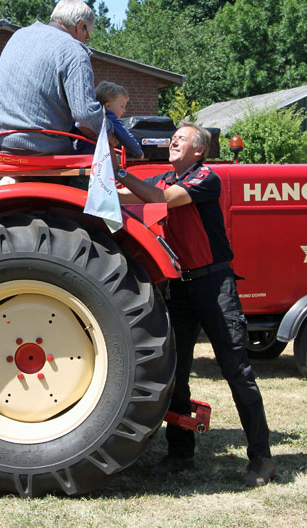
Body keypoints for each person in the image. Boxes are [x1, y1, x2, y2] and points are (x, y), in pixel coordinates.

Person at [113, 123, 276, 488]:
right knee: (176, 374)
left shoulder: (206, 178)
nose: (173, 141)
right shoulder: (166, 176)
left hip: (214, 284)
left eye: (182, 138)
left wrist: (121, 171)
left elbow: (163, 200)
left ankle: (262, 458)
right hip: (180, 288)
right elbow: (132, 197)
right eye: (174, 137)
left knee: (237, 372)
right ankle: (180, 454)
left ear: (199, 150)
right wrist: (103, 182)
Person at [0, 0, 105, 154]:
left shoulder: (19, 35)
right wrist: (111, 133)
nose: (86, 41)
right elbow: (85, 115)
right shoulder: (74, 51)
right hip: (31, 148)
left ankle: (9, 178)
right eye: (87, 35)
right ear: (80, 26)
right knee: (92, 163)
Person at [73, 81, 143, 159]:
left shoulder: (85, 118)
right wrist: (138, 152)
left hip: (79, 154)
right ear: (108, 105)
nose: (124, 110)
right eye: (122, 106)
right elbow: (126, 136)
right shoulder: (111, 117)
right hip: (98, 158)